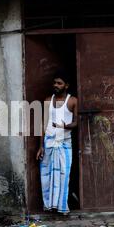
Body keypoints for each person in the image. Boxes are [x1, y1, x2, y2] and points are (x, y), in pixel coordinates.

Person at [36, 70, 77, 215]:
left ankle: (61, 207)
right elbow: (43, 123)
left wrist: (63, 126)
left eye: (59, 83)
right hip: (49, 143)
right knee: (46, 175)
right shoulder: (48, 100)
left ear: (66, 85)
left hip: (64, 144)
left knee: (63, 175)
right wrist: (40, 146)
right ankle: (49, 206)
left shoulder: (72, 101)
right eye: (54, 83)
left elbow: (76, 123)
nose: (56, 85)